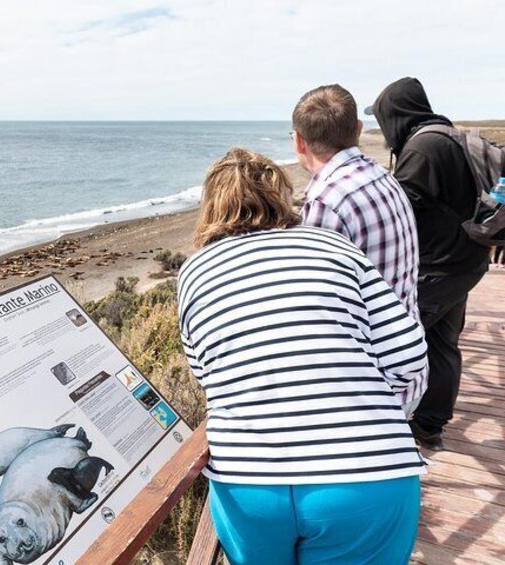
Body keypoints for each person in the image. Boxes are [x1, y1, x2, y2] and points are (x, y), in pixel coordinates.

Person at [178, 148, 427, 565]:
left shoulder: (193, 272)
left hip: (249, 481)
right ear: (281, 196)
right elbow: (409, 357)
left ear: (210, 205)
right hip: (366, 476)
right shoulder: (334, 247)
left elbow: (206, 372)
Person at [366, 77, 489, 450]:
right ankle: (429, 426)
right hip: (467, 261)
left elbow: (396, 210)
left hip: (439, 267)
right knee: (443, 343)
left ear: (397, 114)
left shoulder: (422, 149)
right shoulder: (446, 135)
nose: (383, 131)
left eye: (383, 118)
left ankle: (385, 425)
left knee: (396, 340)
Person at [292, 84, 424, 412]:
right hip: (408, 364)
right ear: (358, 129)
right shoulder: (382, 175)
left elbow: (319, 313)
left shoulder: (327, 200)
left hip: (372, 387)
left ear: (298, 141)